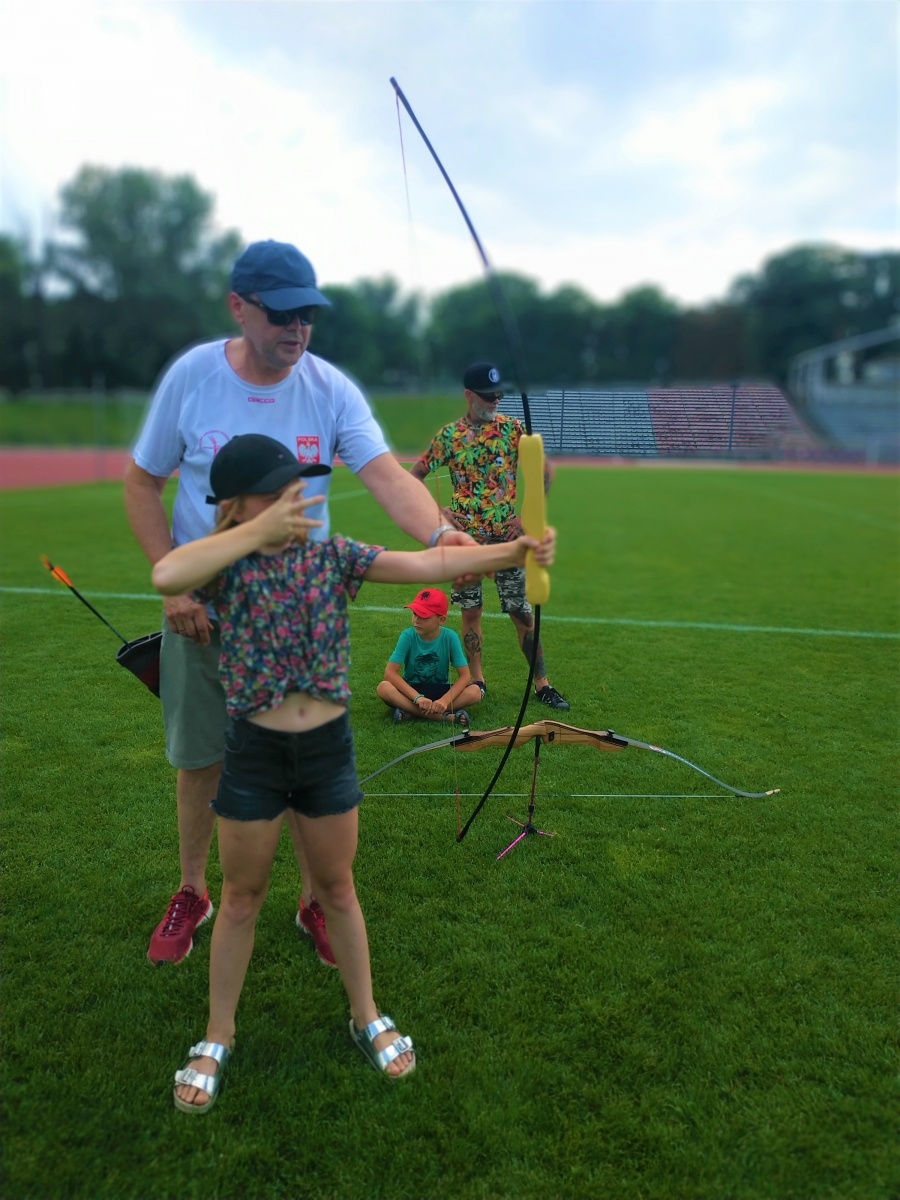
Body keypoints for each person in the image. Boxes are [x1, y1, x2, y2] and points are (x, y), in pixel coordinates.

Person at [153, 433, 557, 1109]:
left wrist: (515, 551)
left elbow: (424, 560)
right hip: (253, 753)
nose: (299, 495)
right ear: (239, 503)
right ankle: (217, 1034)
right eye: (281, 486)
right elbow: (169, 576)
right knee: (243, 896)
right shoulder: (226, 569)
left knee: (338, 889)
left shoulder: (333, 557)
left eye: (298, 485)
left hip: (325, 752)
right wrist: (249, 532)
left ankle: (366, 1013)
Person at [124, 240, 477, 969]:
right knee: (200, 763)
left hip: (295, 629)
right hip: (204, 614)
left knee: (301, 768)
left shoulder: (329, 388)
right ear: (240, 307)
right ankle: (194, 890)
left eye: (308, 314)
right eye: (282, 314)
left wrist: (442, 531)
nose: (298, 329)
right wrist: (176, 581)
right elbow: (142, 483)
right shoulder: (192, 378)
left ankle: (316, 899)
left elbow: (384, 475)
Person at [409, 361, 570, 711]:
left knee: (522, 614)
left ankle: (542, 684)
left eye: (498, 393)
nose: (495, 400)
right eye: (487, 395)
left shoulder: (514, 429)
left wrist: (527, 518)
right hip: (465, 544)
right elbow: (414, 477)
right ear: (468, 395)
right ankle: (478, 680)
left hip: (506, 542)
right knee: (471, 613)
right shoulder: (450, 437)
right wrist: (441, 515)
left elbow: (545, 473)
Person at [376, 587, 482, 726]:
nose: (416, 620)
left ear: (441, 620)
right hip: (413, 690)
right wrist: (417, 698)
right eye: (414, 613)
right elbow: (390, 673)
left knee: (475, 691)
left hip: (440, 690)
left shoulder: (450, 637)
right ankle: (443, 717)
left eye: (423, 616)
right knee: (383, 687)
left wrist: (444, 701)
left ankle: (409, 712)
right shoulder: (408, 635)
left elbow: (465, 676)